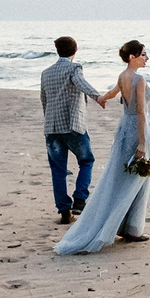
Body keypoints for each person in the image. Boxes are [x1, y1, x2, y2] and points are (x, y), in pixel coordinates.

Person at [56, 40, 150, 254]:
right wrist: (143, 143)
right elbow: (140, 112)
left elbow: (113, 92)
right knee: (136, 180)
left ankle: (123, 225)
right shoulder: (139, 79)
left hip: (123, 130)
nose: (147, 58)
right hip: (137, 130)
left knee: (120, 178)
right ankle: (132, 229)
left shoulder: (123, 76)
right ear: (132, 57)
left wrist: (101, 99)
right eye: (144, 54)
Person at [39, 36, 105, 225]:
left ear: (57, 50)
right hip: (72, 125)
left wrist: (48, 121)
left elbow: (44, 99)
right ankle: (79, 199)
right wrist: (97, 97)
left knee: (58, 170)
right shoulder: (74, 68)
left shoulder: (46, 72)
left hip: (51, 127)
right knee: (86, 160)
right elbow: (81, 83)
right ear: (75, 50)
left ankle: (64, 211)